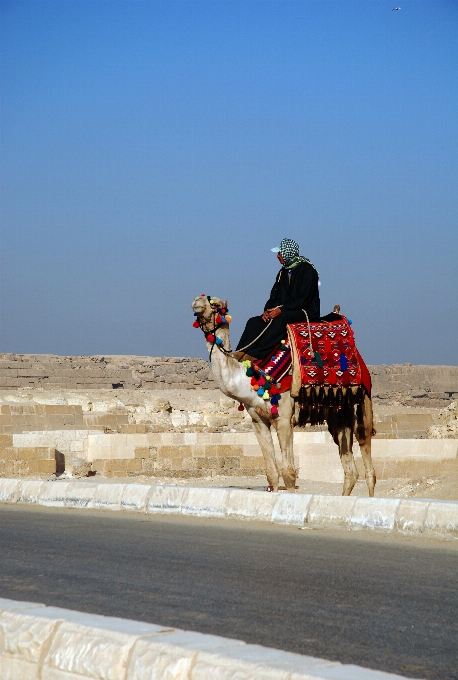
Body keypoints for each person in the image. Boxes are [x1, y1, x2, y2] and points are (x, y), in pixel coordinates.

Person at [236, 238, 320, 360]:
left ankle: (257, 354)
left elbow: (304, 300)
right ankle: (242, 352)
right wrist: (267, 311)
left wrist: (281, 310)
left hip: (305, 312)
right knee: (254, 322)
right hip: (285, 310)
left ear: (287, 253)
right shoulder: (283, 272)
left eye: (279, 253)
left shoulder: (308, 270)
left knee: (281, 318)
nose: (277, 256)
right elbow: (275, 296)